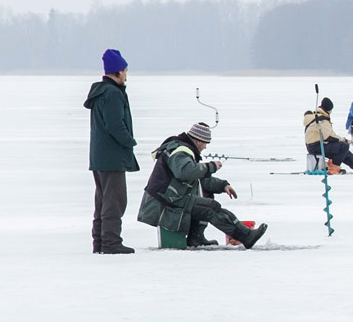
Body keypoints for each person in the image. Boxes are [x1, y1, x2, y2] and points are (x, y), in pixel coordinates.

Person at [137, 123, 269, 249]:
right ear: (199, 140)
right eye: (205, 143)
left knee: (206, 194)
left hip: (166, 199)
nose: (205, 147)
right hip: (165, 202)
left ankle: (196, 238)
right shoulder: (181, 151)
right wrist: (211, 166)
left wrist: (223, 186)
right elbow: (185, 172)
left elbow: (198, 179)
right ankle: (246, 236)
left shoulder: (181, 148)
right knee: (210, 207)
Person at [86, 49, 139, 254]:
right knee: (114, 201)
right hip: (112, 156)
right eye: (125, 71)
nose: (126, 75)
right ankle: (111, 242)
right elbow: (115, 125)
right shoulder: (113, 93)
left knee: (102, 200)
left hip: (100, 156)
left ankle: (99, 242)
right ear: (117, 72)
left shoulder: (101, 92)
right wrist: (129, 142)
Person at [304, 98, 353, 173]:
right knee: (343, 146)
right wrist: (345, 140)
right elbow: (330, 136)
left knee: (343, 152)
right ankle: (333, 167)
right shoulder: (322, 119)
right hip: (317, 147)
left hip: (313, 146)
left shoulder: (315, 117)